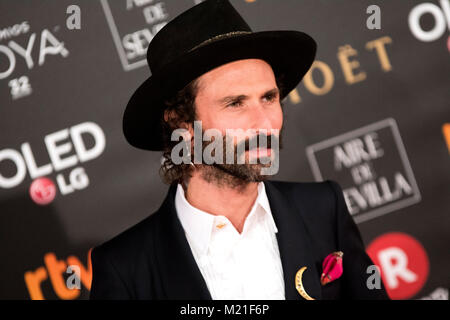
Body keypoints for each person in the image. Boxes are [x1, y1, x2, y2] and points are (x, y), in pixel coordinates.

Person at [90, 0, 389, 300]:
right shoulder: (125, 269)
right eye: (236, 103)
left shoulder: (323, 210)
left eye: (269, 98)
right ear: (181, 123)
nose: (265, 123)